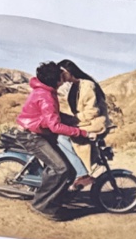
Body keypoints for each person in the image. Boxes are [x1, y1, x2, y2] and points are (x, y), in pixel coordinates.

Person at [14, 61, 91, 217]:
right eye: (61, 75)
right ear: (56, 80)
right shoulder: (46, 96)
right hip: (32, 136)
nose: (64, 77)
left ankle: (56, 199)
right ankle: (42, 206)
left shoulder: (45, 90)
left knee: (67, 167)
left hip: (39, 131)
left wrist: (74, 120)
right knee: (61, 168)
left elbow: (53, 115)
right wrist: (82, 133)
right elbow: (55, 126)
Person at [56, 59, 111, 188]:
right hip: (85, 121)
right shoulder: (74, 87)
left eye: (61, 72)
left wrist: (71, 120)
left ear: (68, 71)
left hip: (95, 122)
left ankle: (81, 173)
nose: (60, 76)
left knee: (62, 137)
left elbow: (93, 112)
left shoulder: (87, 85)